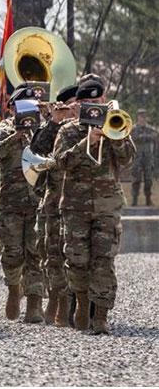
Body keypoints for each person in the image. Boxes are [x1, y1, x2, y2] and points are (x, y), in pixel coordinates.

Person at [52, 79, 135, 334]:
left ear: (105, 100)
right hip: (75, 206)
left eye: (99, 102)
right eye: (89, 103)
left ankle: (100, 316)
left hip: (107, 205)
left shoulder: (115, 124)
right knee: (77, 259)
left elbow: (128, 159)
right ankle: (82, 301)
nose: (95, 107)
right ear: (80, 104)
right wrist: (87, 141)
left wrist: (114, 136)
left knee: (104, 259)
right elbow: (60, 162)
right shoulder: (68, 131)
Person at [0, 85, 46, 323]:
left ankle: (34, 303)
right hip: (10, 202)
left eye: (34, 106)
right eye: (24, 105)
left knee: (35, 253)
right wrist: (14, 137)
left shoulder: (44, 130)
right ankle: (12, 289)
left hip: (38, 202)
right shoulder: (3, 130)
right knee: (12, 253)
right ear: (13, 108)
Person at [29, 84, 78, 326]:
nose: (75, 109)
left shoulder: (95, 126)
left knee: (78, 255)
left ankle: (76, 303)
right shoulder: (53, 127)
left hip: (82, 203)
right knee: (52, 254)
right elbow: (35, 151)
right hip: (54, 201)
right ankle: (57, 298)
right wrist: (54, 123)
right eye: (71, 105)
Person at [130, 109, 158, 206]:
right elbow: (135, 137)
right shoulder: (133, 129)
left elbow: (155, 136)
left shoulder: (151, 129)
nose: (143, 118)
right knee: (136, 180)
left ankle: (148, 199)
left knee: (148, 179)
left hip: (148, 159)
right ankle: (134, 200)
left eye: (144, 116)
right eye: (141, 116)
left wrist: (143, 136)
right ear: (137, 117)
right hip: (137, 158)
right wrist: (146, 137)